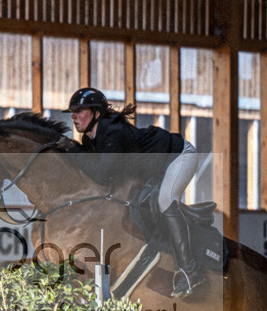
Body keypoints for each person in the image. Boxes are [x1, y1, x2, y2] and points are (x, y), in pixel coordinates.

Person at [58, 87, 205, 298]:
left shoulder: (113, 132)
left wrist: (72, 149)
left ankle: (190, 271)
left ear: (96, 114)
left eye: (79, 111)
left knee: (165, 201)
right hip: (157, 168)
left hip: (179, 156)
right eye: (72, 112)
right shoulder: (91, 139)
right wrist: (73, 148)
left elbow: (101, 175)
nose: (73, 116)